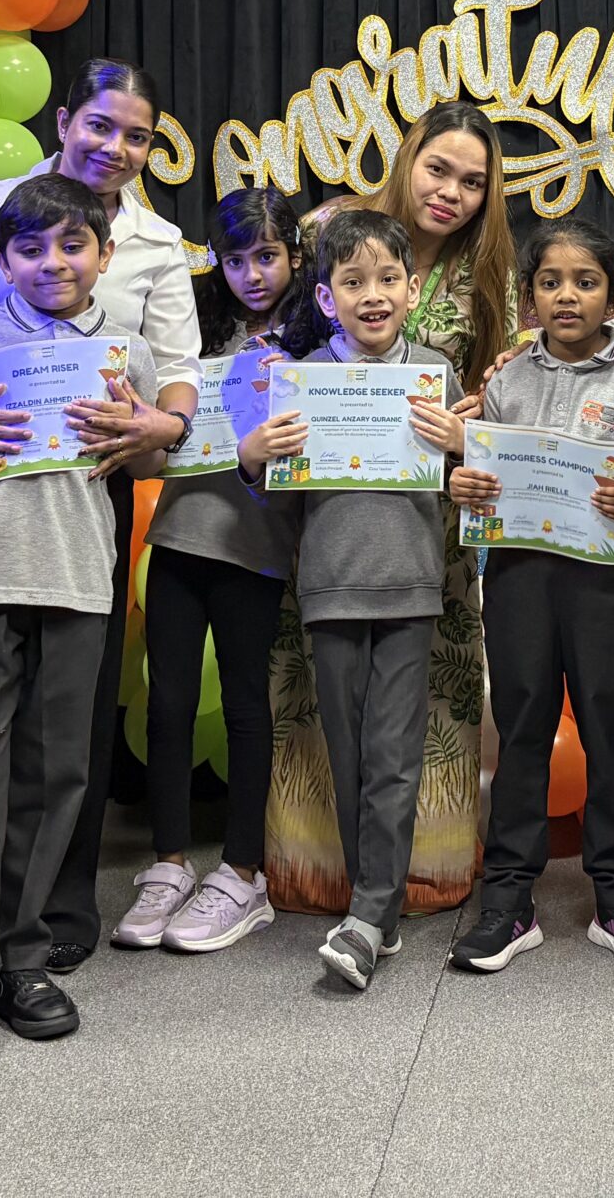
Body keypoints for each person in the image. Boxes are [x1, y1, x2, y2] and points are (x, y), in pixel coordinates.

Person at [0, 57, 201, 974]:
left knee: (66, 730)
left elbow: (177, 370)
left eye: (137, 135)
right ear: (64, 121)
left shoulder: (156, 243)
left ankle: (45, 922)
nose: (116, 147)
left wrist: (164, 424)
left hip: (84, 493)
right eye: (101, 125)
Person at [0, 173, 165, 1073]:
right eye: (29, 248)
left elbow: (157, 445)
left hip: (75, 578)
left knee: (57, 773)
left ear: (104, 252)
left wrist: (148, 427)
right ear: (3, 259)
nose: (52, 262)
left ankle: (22, 955)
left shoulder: (127, 348)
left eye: (72, 245)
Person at [262, 102, 516, 917]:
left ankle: (411, 880)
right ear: (409, 160)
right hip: (332, 530)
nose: (451, 192)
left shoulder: (491, 275)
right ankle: (326, 874)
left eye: (472, 182)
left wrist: (476, 423)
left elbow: (498, 400)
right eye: (439, 168)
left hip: (426, 532)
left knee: (420, 717)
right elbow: (284, 348)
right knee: (328, 711)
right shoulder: (332, 230)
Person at [241, 210, 466, 990]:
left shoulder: (435, 373)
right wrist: (253, 455)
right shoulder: (300, 376)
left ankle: (369, 916)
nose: (373, 295)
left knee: (395, 756)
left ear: (412, 289)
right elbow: (271, 486)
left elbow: (468, 481)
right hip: (330, 589)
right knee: (348, 752)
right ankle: (379, 909)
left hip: (410, 587)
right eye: (353, 281)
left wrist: (462, 446)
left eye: (388, 279)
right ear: (326, 298)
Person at [446, 216, 614, 974]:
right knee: (522, 732)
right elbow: (484, 479)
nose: (567, 296)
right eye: (550, 282)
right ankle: (509, 903)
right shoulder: (506, 379)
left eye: (585, 282)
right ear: (529, 295)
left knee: (612, 731)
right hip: (520, 576)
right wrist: (469, 486)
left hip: (607, 582)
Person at [112, 188, 306, 955]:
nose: (253, 275)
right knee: (168, 703)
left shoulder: (315, 340)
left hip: (255, 546)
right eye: (236, 260)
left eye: (268, 256)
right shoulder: (193, 334)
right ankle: (167, 864)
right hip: (178, 536)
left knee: (247, 705)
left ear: (295, 255)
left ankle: (242, 872)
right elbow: (159, 438)